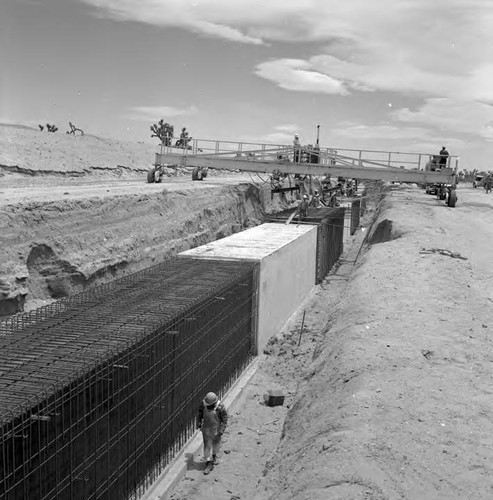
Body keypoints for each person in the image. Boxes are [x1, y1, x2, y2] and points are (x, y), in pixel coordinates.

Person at [196, 392, 228, 475]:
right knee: (207, 447)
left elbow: (224, 420)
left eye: (209, 406)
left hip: (216, 430)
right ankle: (209, 464)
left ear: (214, 404)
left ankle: (214, 456)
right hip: (206, 429)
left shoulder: (220, 407)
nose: (207, 407)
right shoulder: (203, 404)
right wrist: (198, 422)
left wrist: (221, 430)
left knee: (215, 445)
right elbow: (200, 413)